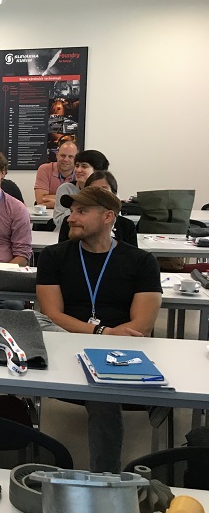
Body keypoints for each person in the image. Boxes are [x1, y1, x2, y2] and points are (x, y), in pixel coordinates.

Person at [36, 186, 161, 473]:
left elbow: (142, 324)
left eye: (82, 211)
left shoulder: (142, 261)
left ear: (108, 217)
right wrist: (102, 333)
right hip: (65, 342)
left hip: (118, 350)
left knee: (103, 392)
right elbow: (52, 314)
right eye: (72, 211)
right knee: (31, 322)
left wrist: (106, 344)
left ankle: (106, 478)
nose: (71, 218)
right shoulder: (53, 256)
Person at [58, 171, 137, 246]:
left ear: (114, 194)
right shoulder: (70, 222)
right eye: (92, 189)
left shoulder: (126, 226)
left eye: (103, 190)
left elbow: (132, 253)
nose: (97, 194)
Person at [51, 149, 110, 228]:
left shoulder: (107, 190)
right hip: (69, 232)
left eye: (84, 166)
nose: (78, 170)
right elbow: (58, 222)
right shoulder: (65, 189)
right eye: (77, 166)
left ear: (97, 171)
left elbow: (114, 219)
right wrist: (77, 207)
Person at [34, 140, 78, 208]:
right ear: (57, 155)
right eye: (63, 155)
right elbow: (40, 200)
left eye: (70, 156)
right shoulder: (45, 169)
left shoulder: (81, 172)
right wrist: (72, 200)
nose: (66, 159)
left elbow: (84, 201)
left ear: (76, 158)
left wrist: (56, 202)